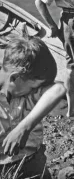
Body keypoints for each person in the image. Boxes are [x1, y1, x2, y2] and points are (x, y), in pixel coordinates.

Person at [0, 36, 66, 178]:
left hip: (32, 159)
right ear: (15, 78)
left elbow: (59, 88)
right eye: (33, 87)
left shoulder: (24, 89)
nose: (35, 91)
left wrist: (23, 128)